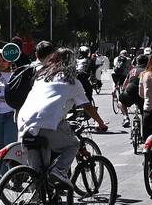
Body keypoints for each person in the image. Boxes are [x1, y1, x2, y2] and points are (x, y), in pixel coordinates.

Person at [15, 47, 108, 187]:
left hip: (24, 122)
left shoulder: (41, 77)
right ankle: (59, 170)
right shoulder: (72, 82)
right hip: (46, 122)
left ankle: (34, 204)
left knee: (38, 171)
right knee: (73, 144)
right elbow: (87, 106)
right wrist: (100, 123)